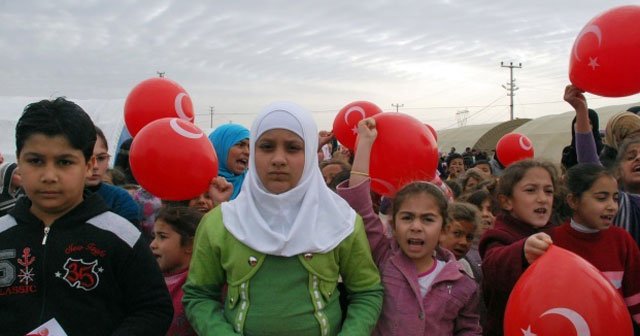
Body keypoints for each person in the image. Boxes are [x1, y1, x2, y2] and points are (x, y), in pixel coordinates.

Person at [183, 102, 383, 335]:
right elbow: (199, 296)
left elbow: (366, 292)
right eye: (266, 146)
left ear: (309, 154)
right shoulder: (221, 223)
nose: (278, 159)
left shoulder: (341, 222)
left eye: (293, 148)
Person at [0, 97, 172, 335]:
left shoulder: (121, 237)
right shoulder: (3, 234)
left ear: (89, 165)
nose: (49, 175)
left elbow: (154, 308)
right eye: (36, 161)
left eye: (64, 162)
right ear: (18, 160)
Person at [337, 118, 481, 335]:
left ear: (444, 229)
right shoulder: (383, 258)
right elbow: (359, 205)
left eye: (428, 219)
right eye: (407, 217)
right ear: (393, 226)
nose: (416, 226)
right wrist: (365, 143)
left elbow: (469, 330)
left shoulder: (463, 283)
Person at [526, 163, 640, 328]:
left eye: (615, 198)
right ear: (573, 201)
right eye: (601, 198)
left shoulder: (621, 240)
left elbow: (635, 297)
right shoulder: (551, 242)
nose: (612, 206)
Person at [479, 159, 558, 336]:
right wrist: (522, 251)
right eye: (531, 190)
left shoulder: (557, 234)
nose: (542, 199)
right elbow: (493, 266)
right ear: (506, 202)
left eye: (549, 191)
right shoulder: (498, 235)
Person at [566, 84, 640, 245]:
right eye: (630, 156)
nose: (638, 158)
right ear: (618, 170)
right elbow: (588, 160)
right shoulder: (620, 205)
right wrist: (581, 111)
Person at [151, 206, 203, 336]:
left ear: (190, 245)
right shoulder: (149, 278)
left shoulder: (201, 284)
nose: (152, 244)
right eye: (154, 236)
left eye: (162, 237)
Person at [86, 127, 141, 227]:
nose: (95, 166)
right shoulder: (54, 198)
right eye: (87, 158)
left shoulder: (120, 200)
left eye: (101, 158)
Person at [208, 123, 250, 200]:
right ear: (220, 148)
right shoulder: (200, 184)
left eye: (249, 146)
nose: (247, 152)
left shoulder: (253, 185)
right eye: (240, 145)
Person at [439, 202, 480, 276]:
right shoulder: (425, 266)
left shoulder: (464, 266)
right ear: (441, 231)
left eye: (469, 237)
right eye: (457, 233)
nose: (464, 242)